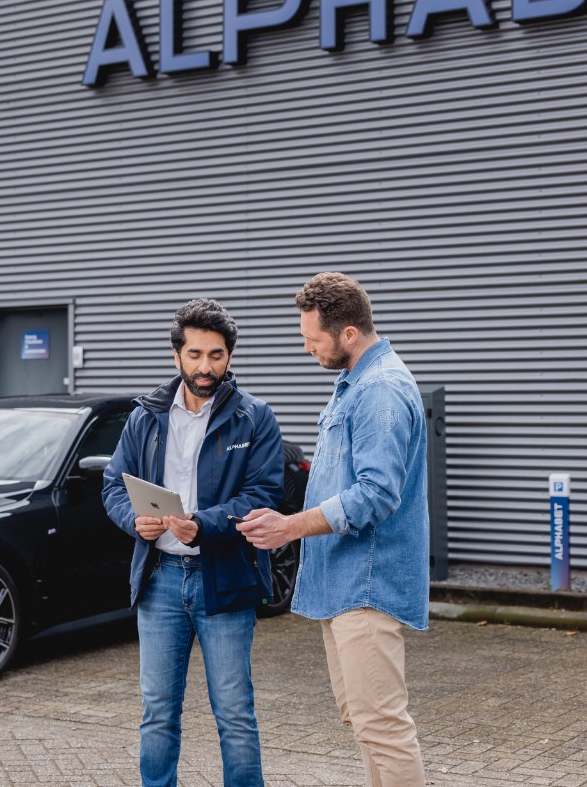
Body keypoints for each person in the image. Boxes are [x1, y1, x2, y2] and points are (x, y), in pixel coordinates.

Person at [237, 272, 429, 787]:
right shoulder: (355, 384)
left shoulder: (380, 391)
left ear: (348, 333)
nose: (307, 348)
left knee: (382, 726)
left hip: (366, 584)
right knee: (363, 721)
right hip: (344, 584)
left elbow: (376, 494)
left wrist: (290, 527)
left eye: (313, 338)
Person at [103, 298, 283, 787]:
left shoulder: (255, 417)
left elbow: (263, 495)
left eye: (216, 355)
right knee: (158, 711)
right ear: (177, 355)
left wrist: (203, 525)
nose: (206, 366)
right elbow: (114, 484)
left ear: (230, 357)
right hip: (160, 579)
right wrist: (133, 520)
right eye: (196, 354)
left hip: (225, 580)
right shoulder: (146, 416)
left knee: (235, 713)